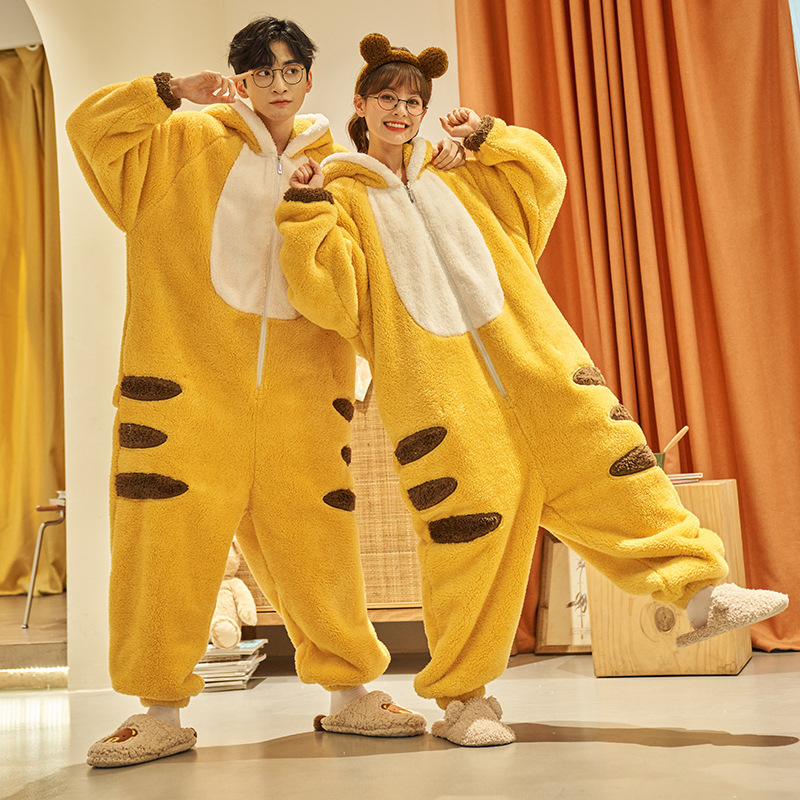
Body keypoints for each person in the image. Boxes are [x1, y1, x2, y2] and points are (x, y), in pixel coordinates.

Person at [276, 33, 789, 747]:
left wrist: (488, 138)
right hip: (443, 399)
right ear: (360, 104)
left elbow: (544, 180)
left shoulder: (458, 172)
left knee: (615, 466)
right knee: (469, 540)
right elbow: (327, 295)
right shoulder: (339, 194)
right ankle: (464, 702)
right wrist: (305, 209)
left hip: (539, 367)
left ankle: (704, 594)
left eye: (413, 101)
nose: (401, 110)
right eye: (387, 97)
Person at [66, 17, 468, 768]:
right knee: (163, 549)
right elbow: (89, 129)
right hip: (185, 391)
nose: (277, 85)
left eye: (290, 71)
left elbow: (372, 261)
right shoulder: (181, 143)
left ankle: (351, 694)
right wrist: (166, 91)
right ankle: (157, 711)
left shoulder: (337, 169)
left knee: (320, 550)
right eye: (262, 71)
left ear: (310, 80)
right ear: (240, 77)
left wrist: (442, 153)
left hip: (302, 397)